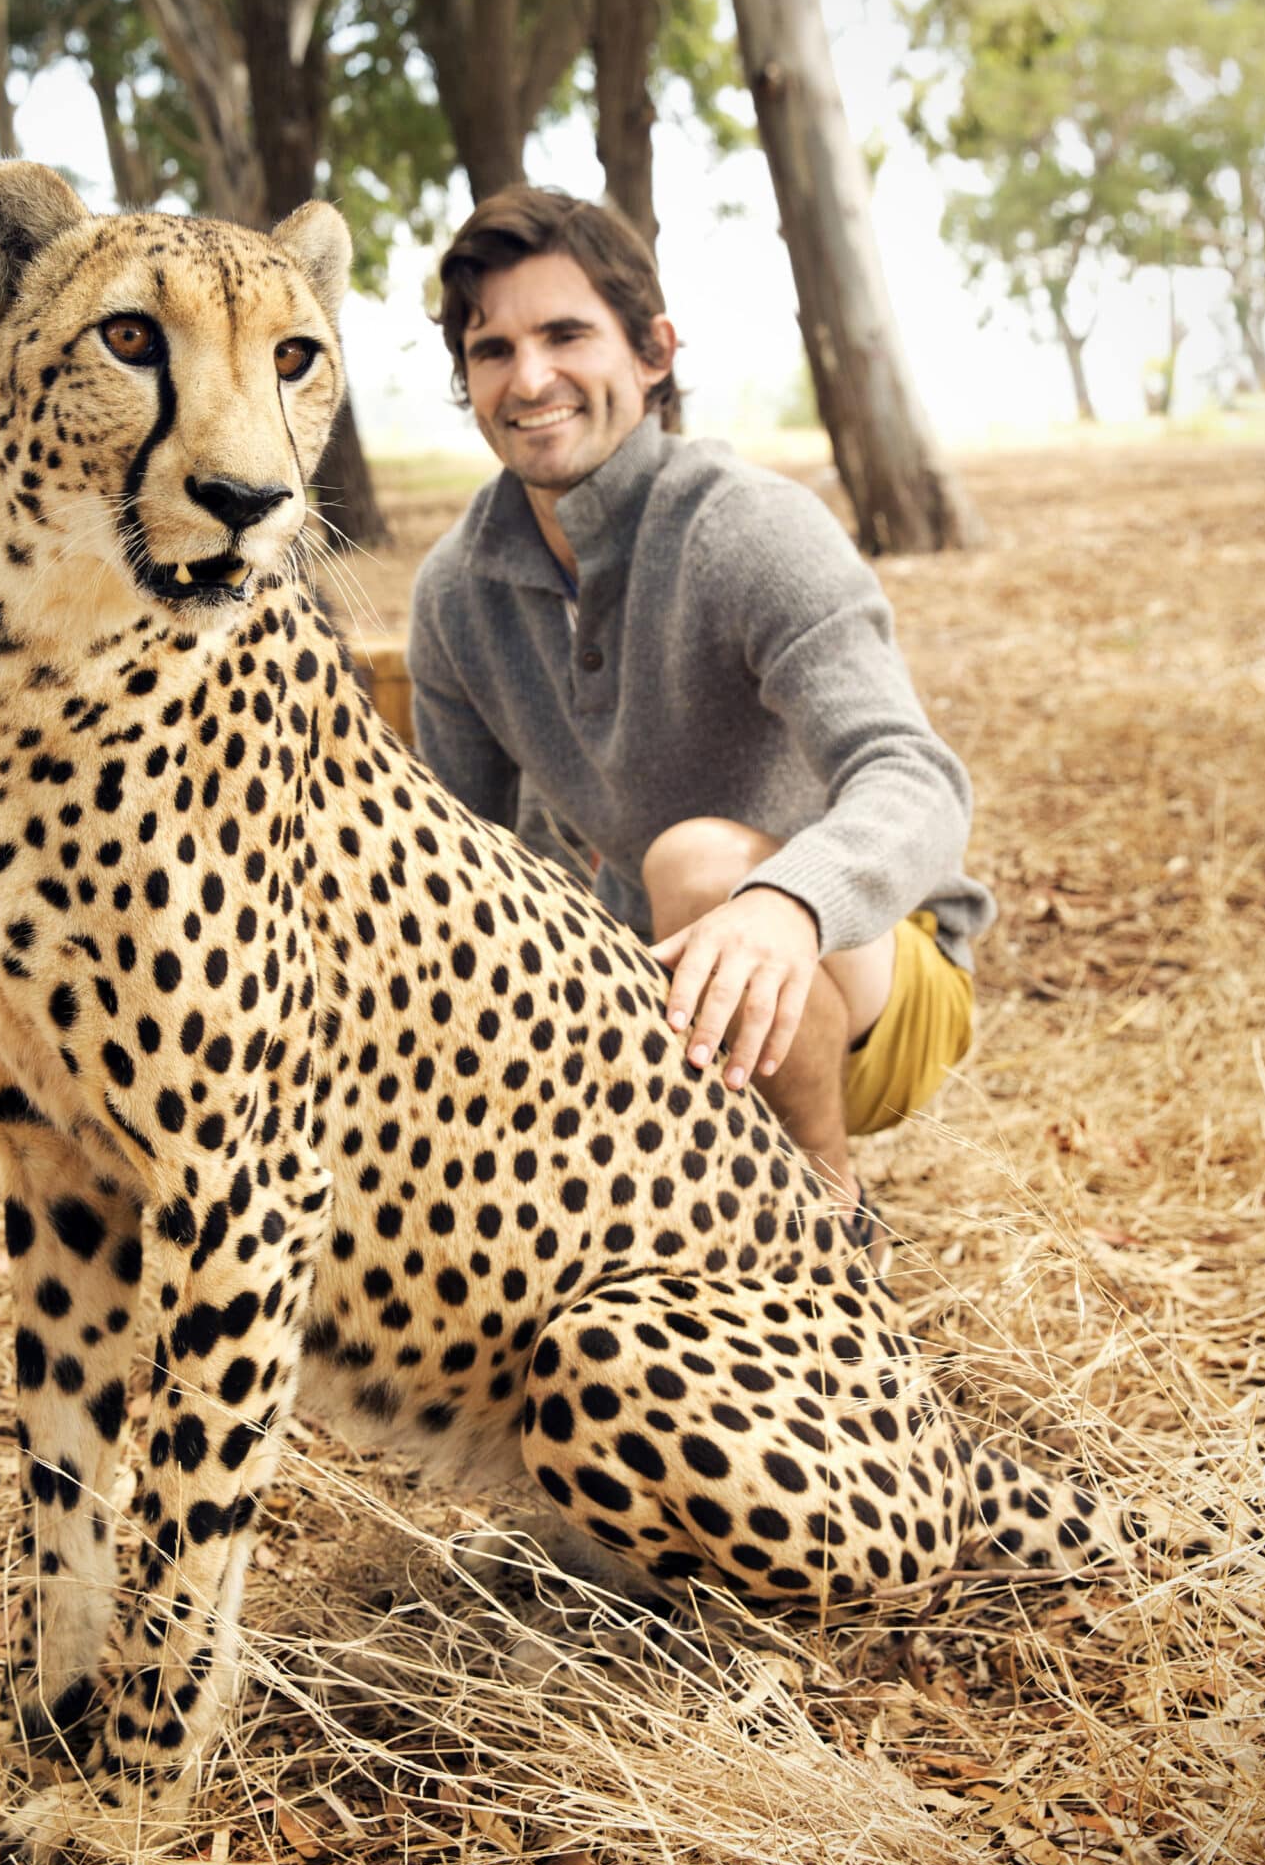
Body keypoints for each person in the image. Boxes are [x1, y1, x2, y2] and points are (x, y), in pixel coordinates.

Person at [405, 187, 994, 1246]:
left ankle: (827, 1227)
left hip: (866, 970)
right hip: (658, 992)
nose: (528, 378)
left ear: (654, 352)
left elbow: (918, 777)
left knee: (700, 867)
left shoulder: (749, 528)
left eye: (566, 334)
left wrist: (788, 902)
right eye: (492, 349)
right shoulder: (456, 594)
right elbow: (467, 872)